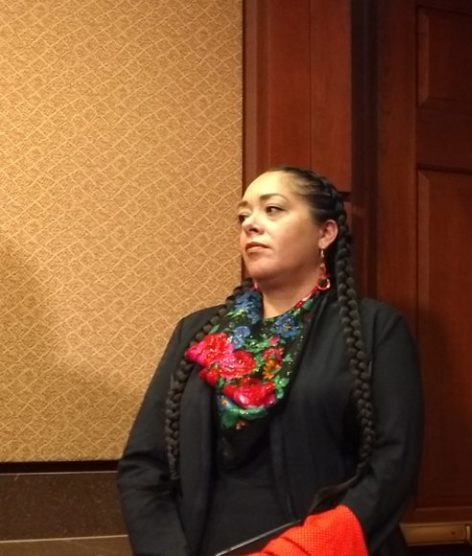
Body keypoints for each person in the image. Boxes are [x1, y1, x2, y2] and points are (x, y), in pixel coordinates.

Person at [118, 167, 423, 555]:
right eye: (243, 215)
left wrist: (306, 548)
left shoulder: (374, 328)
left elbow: (394, 461)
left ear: (325, 233)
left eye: (273, 209)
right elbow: (143, 466)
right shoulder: (196, 333)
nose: (251, 224)